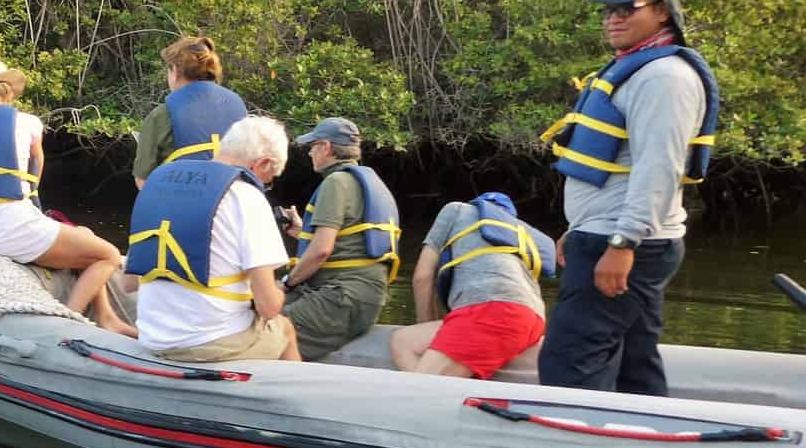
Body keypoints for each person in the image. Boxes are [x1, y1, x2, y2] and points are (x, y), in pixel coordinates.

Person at [536, 0, 720, 395]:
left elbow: (660, 168)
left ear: (662, 10)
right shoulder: (640, 69)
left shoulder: (664, 77)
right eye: (608, 9)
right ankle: (647, 447)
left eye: (626, 7)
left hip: (623, 242)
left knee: (569, 359)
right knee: (634, 363)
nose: (613, 17)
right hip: (606, 233)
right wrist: (579, 228)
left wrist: (622, 243)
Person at [0, 59, 136, 337]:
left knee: (83, 233)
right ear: (9, 91)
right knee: (107, 255)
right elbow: (36, 166)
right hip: (18, 228)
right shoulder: (27, 122)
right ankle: (67, 322)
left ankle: (106, 316)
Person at [124, 116, 301, 362]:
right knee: (285, 329)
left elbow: (129, 283)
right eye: (267, 181)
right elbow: (268, 308)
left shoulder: (156, 185)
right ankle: (292, 397)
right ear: (262, 163)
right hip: (208, 344)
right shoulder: (246, 195)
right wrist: (281, 291)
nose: (264, 187)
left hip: (152, 336)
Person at [390, 192, 556, 378]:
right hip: (533, 320)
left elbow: (423, 277)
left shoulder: (456, 210)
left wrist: (432, 331)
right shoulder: (519, 234)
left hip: (491, 312)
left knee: (422, 387)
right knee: (402, 340)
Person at [277, 117, 401, 361]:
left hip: (342, 296)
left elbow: (322, 250)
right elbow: (346, 241)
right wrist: (303, 232)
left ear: (326, 147)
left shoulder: (335, 182)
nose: (310, 152)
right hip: (362, 296)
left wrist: (288, 283)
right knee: (262, 305)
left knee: (269, 330)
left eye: (312, 146)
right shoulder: (366, 181)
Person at [132, 36, 249, 189]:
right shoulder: (238, 105)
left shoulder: (162, 115)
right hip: (234, 202)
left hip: (183, 207)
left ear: (174, 71)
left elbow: (143, 181)